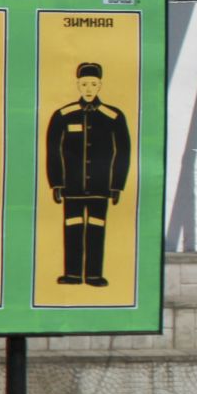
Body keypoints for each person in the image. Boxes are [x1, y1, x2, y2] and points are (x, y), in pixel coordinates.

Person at [45, 62, 131, 287]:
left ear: (100, 85)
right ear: (78, 85)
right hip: (72, 186)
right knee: (72, 227)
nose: (89, 88)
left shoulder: (113, 116)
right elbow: (53, 150)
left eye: (93, 84)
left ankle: (93, 275)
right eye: (84, 84)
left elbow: (123, 151)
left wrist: (117, 185)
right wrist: (56, 183)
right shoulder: (63, 115)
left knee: (96, 227)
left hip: (100, 187)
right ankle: (72, 274)